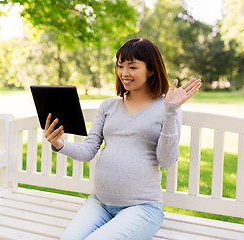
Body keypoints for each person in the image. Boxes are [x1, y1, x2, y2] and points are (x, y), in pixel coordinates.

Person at [44, 38, 201, 240]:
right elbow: (88, 150)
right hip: (100, 203)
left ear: (151, 70)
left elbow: (166, 160)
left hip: (143, 208)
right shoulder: (108, 106)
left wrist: (171, 111)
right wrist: (59, 144)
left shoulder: (168, 107)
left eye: (132, 67)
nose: (124, 73)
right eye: (120, 66)